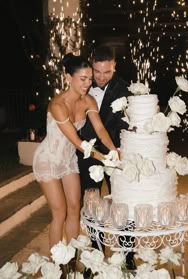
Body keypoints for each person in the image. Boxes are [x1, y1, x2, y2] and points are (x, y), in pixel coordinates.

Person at [32, 53, 117, 249]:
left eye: (89, 78)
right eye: (82, 79)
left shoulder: (88, 101)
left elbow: (101, 129)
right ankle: (57, 265)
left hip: (68, 159)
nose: (87, 83)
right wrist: (105, 159)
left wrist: (113, 150)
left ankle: (71, 258)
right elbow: (78, 142)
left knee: (74, 208)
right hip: (48, 159)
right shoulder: (57, 105)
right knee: (59, 212)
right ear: (69, 78)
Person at [76, 45, 136, 270]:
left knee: (123, 204)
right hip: (87, 155)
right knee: (92, 206)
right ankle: (96, 257)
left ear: (114, 67)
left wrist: (117, 152)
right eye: (97, 71)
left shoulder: (125, 89)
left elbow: (128, 125)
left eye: (107, 72)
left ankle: (128, 256)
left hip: (115, 155)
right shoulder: (81, 84)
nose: (100, 78)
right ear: (91, 65)